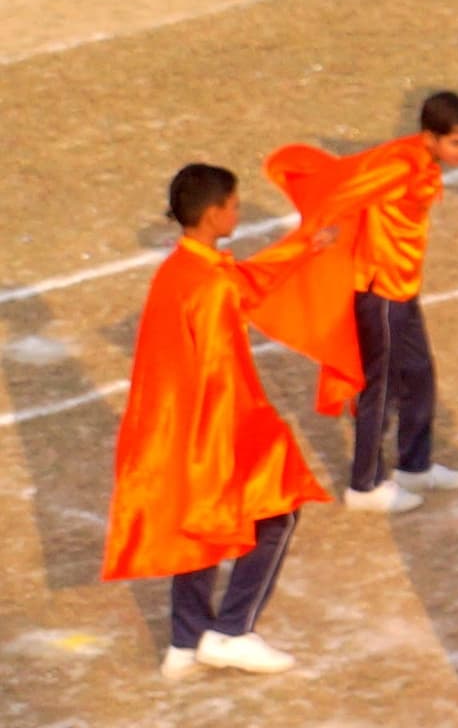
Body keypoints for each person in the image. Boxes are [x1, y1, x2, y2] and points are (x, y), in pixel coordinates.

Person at [102, 163, 348, 678]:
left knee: (200, 526)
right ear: (214, 214)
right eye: (234, 206)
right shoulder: (210, 286)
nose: (238, 214)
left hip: (172, 430)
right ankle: (233, 631)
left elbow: (245, 282)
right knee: (276, 514)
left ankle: (185, 640)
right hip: (213, 430)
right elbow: (220, 372)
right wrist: (243, 439)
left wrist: (305, 246)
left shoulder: (179, 271)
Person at [265, 93, 458, 512]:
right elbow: (344, 190)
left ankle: (414, 465)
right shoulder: (399, 166)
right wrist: (326, 226)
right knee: (379, 388)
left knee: (418, 374)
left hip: (402, 287)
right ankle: (364, 484)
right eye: (457, 143)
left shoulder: (416, 158)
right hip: (381, 290)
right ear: (431, 137)